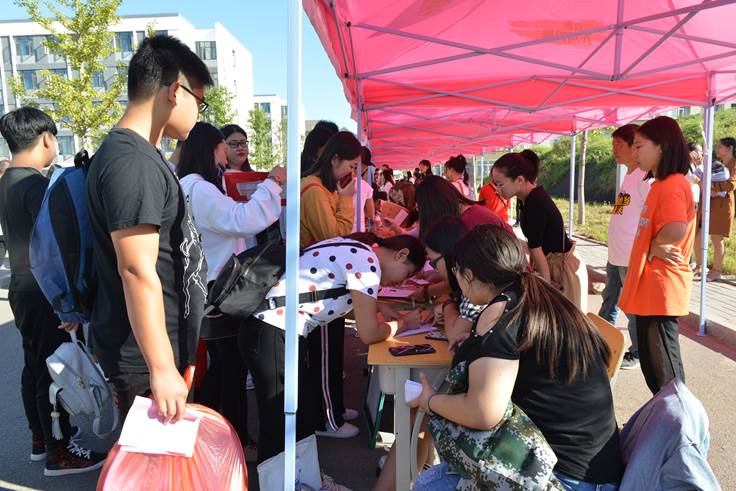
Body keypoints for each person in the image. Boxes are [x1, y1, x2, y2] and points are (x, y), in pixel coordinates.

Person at [408, 225, 623, 490]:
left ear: (469, 274)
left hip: (564, 478)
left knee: (431, 484)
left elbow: (482, 412)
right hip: (595, 468)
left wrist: (429, 400)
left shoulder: (499, 314)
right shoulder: (538, 295)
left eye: (455, 270)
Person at [86, 35, 211, 422]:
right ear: (175, 92)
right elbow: (136, 269)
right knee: (154, 458)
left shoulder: (142, 156)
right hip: (144, 361)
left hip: (157, 352)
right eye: (200, 101)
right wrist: (160, 367)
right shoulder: (132, 162)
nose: (199, 113)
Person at [239, 233, 426, 466]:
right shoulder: (367, 263)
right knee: (280, 420)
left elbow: (331, 297)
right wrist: (404, 323)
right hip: (274, 330)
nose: (400, 284)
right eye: (406, 275)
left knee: (294, 414)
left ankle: (302, 477)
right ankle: (279, 478)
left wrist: (377, 306)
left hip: (274, 329)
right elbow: (368, 334)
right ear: (401, 255)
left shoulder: (359, 250)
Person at [0, 107, 105, 475]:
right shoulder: (36, 186)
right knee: (54, 372)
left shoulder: (6, 181)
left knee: (35, 367)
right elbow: (55, 247)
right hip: (45, 291)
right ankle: (59, 454)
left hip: (21, 288)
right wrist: (68, 304)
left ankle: (41, 439)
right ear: (45, 138)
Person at [177, 121, 284, 447]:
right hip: (218, 287)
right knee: (231, 368)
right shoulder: (200, 188)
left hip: (206, 284)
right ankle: (231, 437)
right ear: (210, 150)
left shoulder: (187, 185)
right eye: (223, 152)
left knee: (224, 366)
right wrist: (272, 184)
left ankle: (212, 430)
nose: (224, 161)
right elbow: (242, 220)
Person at [619, 116, 696, 395]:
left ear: (662, 146)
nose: (633, 152)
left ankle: (677, 420)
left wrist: (653, 244)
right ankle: (666, 416)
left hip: (661, 287)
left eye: (639, 146)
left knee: (665, 374)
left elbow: (675, 228)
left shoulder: (671, 184)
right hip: (650, 286)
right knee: (655, 370)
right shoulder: (655, 183)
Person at [300, 131, 360, 438]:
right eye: (351, 165)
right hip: (317, 286)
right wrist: (346, 200)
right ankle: (327, 420)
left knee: (332, 352)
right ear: (334, 159)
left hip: (325, 282)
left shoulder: (322, 188)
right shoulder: (313, 190)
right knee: (325, 354)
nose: (352, 172)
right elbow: (333, 239)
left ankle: (333, 408)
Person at [492, 149, 589, 313]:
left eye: (500, 184)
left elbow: (536, 249)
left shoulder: (534, 203)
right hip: (555, 265)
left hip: (561, 270)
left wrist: (546, 287)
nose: (497, 190)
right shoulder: (529, 198)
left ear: (520, 180)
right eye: (495, 185)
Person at [598, 124, 651, 371]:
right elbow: (620, 213)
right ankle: (601, 343)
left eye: (619, 145)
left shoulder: (645, 178)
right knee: (609, 301)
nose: (614, 150)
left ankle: (638, 353)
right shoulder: (629, 176)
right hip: (616, 255)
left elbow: (651, 218)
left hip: (631, 257)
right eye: (613, 144)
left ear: (634, 147)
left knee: (632, 309)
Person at [694, 137, 736, 282]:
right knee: (703, 235)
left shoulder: (734, 165)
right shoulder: (718, 163)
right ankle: (701, 266)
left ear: (730, 148)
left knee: (717, 238)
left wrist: (711, 187)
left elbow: (731, 185)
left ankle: (716, 271)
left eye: (720, 146)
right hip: (709, 204)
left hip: (722, 206)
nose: (717, 149)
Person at [353, 146, 375, 233]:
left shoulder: (338, 182)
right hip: (358, 232)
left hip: (340, 231)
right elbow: (371, 214)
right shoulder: (366, 187)